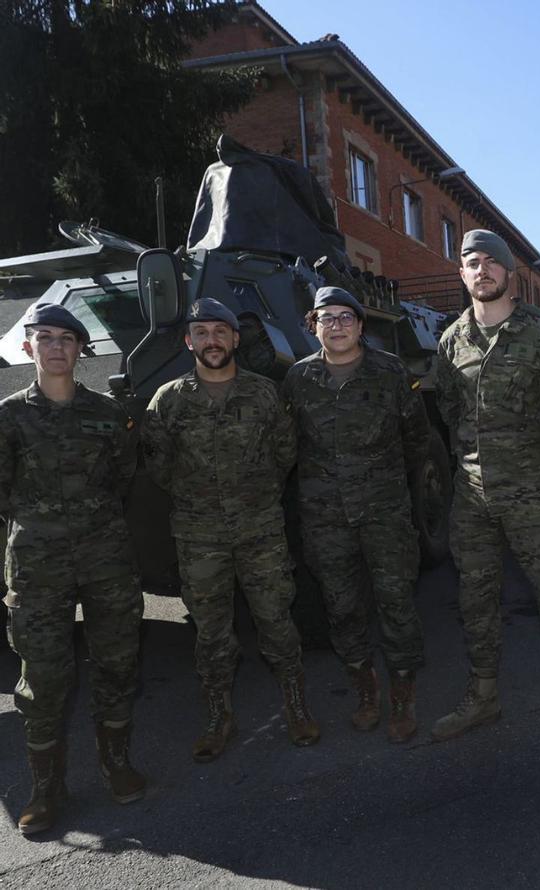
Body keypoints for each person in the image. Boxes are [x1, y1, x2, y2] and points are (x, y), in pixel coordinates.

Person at [433, 229, 540, 768]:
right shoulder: (451, 340)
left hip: (536, 499)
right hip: (472, 499)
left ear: (509, 273)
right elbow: (452, 411)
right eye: (471, 263)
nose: (481, 270)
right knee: (475, 603)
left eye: (490, 263)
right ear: (462, 274)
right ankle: (483, 696)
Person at [141, 298, 319, 761]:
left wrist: (251, 495)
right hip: (199, 536)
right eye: (201, 332)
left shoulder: (263, 394)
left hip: (260, 528)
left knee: (277, 621)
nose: (212, 340)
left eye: (220, 331)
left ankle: (296, 707)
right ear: (188, 341)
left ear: (235, 339)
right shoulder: (170, 400)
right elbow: (158, 464)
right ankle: (220, 716)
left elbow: (285, 453)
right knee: (211, 630)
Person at [0, 303, 145, 835]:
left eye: (67, 338)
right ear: (28, 347)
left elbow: (124, 474)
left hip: (105, 555)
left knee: (117, 661)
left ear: (80, 349)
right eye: (45, 337)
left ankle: (116, 763)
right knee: (42, 675)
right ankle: (45, 787)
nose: (57, 346)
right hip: (37, 563)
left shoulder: (108, 412)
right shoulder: (8, 415)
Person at [282, 286, 430, 743]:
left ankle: (403, 698)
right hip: (325, 517)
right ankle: (366, 693)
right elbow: (289, 446)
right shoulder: (298, 379)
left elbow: (416, 439)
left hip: (384, 510)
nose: (338, 325)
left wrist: (385, 484)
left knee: (397, 604)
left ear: (361, 326)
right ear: (314, 327)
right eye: (327, 318)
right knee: (342, 609)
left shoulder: (389, 372)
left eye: (347, 317)